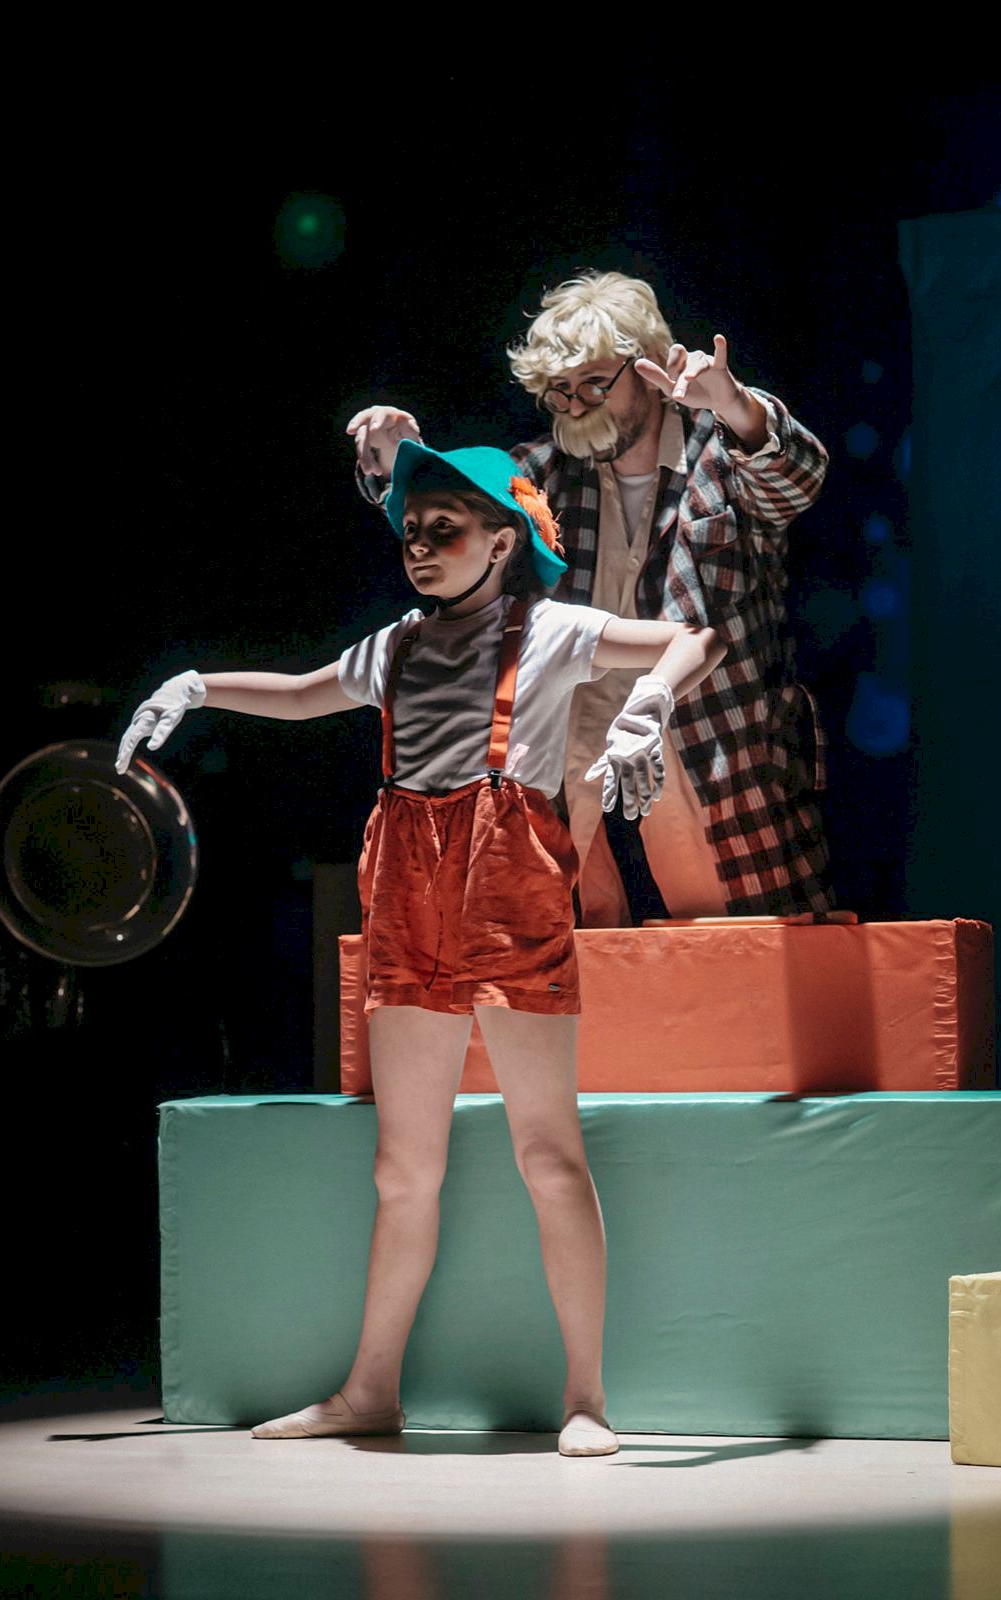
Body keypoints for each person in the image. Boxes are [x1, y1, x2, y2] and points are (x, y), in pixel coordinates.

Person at [116, 442, 726, 1457]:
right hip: (406, 890)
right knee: (403, 1168)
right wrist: (198, 685)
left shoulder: (551, 629)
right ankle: (370, 1389)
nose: (421, 545)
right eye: (412, 529)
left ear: (504, 540)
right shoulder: (396, 645)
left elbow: (691, 637)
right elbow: (306, 693)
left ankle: (586, 1396)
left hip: (510, 886)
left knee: (547, 1153)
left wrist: (647, 702)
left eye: (446, 527)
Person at [347, 270, 833, 926]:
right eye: (559, 392)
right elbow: (456, 521)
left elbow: (798, 478)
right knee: (573, 955)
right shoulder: (544, 471)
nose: (575, 407)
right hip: (574, 764)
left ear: (650, 367)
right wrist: (403, 459)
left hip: (716, 756)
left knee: (739, 959)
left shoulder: (718, 453)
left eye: (595, 384)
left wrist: (736, 404)